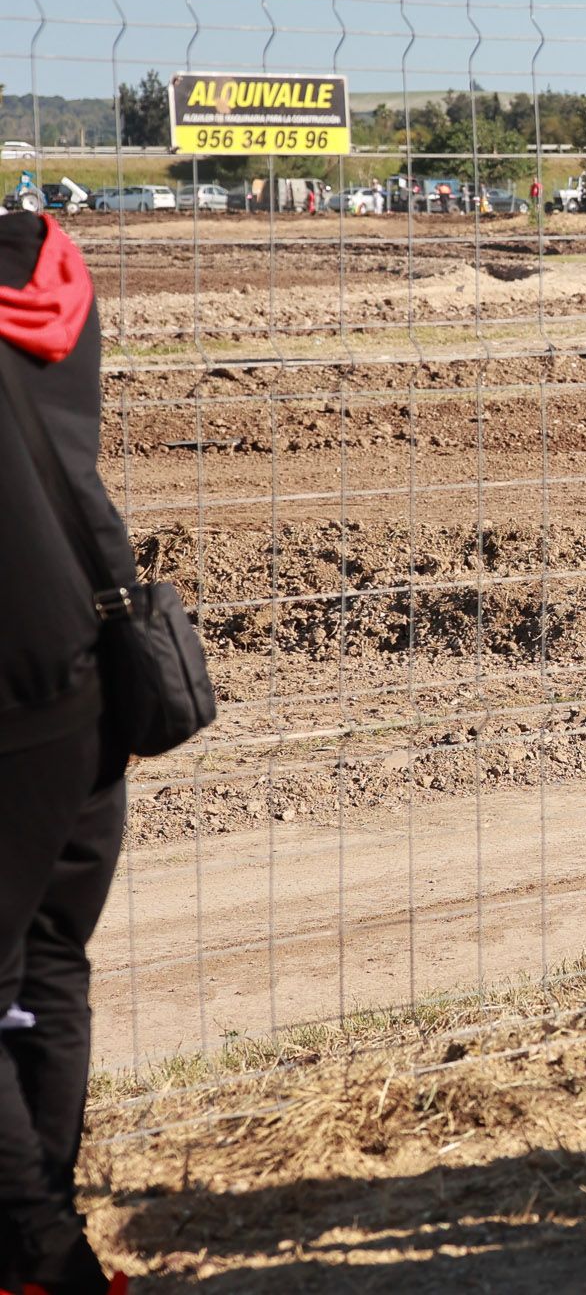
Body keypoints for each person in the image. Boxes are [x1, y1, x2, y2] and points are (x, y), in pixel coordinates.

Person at [0, 210, 132, 1295]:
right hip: (90, 660)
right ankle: (46, 1249)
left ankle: (38, 1257)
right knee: (48, 965)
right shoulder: (55, 260)